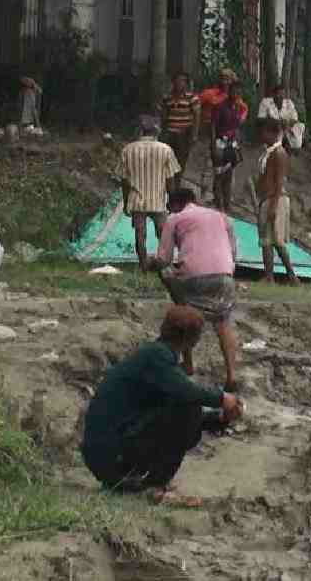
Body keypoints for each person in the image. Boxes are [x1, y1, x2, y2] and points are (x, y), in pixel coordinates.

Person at [81, 305, 242, 501]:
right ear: (192, 339)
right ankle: (155, 485)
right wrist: (223, 399)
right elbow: (187, 394)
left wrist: (220, 418)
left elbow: (168, 412)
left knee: (186, 410)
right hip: (110, 454)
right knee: (188, 407)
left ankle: (136, 480)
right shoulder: (157, 357)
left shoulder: (156, 355)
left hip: (107, 453)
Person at [150, 188, 240, 390]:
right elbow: (234, 253)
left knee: (185, 313)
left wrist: (151, 264)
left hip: (194, 277)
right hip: (224, 275)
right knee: (223, 322)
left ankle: (188, 363)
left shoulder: (174, 218)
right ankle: (232, 375)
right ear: (195, 200)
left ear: (174, 205)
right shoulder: (222, 217)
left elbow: (163, 259)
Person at [115, 115, 181, 270]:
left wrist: (126, 202)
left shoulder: (127, 150)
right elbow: (170, 179)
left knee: (140, 234)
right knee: (163, 234)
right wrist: (172, 201)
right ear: (156, 131)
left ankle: (143, 264)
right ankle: (165, 264)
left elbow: (124, 181)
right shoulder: (165, 150)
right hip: (158, 200)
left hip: (137, 200)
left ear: (139, 131)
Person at [255, 118, 300, 286]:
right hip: (267, 198)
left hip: (276, 199)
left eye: (264, 131)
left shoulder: (279, 153)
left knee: (277, 241)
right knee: (266, 240)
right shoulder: (267, 152)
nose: (261, 135)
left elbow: (279, 181)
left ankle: (292, 276)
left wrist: (273, 206)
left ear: (272, 133)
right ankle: (269, 276)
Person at [158, 72, 201, 191]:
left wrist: (194, 134)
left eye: (182, 81)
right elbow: (164, 116)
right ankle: (167, 184)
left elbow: (197, 116)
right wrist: (163, 131)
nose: (179, 83)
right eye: (177, 80)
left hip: (184, 133)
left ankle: (177, 183)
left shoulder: (192, 98)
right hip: (170, 132)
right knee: (167, 159)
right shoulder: (168, 98)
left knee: (181, 159)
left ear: (186, 83)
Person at [198, 69, 238, 187]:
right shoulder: (209, 94)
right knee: (209, 165)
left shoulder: (235, 98)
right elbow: (195, 105)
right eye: (222, 77)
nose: (224, 81)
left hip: (228, 137)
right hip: (209, 133)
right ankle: (205, 195)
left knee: (228, 167)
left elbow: (241, 114)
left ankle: (223, 195)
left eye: (228, 78)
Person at [212, 82, 248, 212]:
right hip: (220, 143)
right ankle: (218, 203)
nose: (236, 94)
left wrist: (238, 145)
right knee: (218, 174)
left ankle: (226, 204)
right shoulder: (220, 107)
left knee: (229, 174)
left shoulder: (238, 108)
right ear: (229, 91)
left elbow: (237, 128)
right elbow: (213, 127)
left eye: (239, 92)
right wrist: (213, 146)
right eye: (234, 91)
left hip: (232, 143)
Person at [258, 83, 304, 152]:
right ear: (273, 95)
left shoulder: (289, 103)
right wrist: (275, 122)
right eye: (278, 94)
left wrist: (287, 123)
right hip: (272, 129)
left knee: (300, 126)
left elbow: (295, 118)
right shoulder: (265, 102)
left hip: (287, 129)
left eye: (282, 94)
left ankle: (292, 146)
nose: (280, 96)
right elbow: (260, 119)